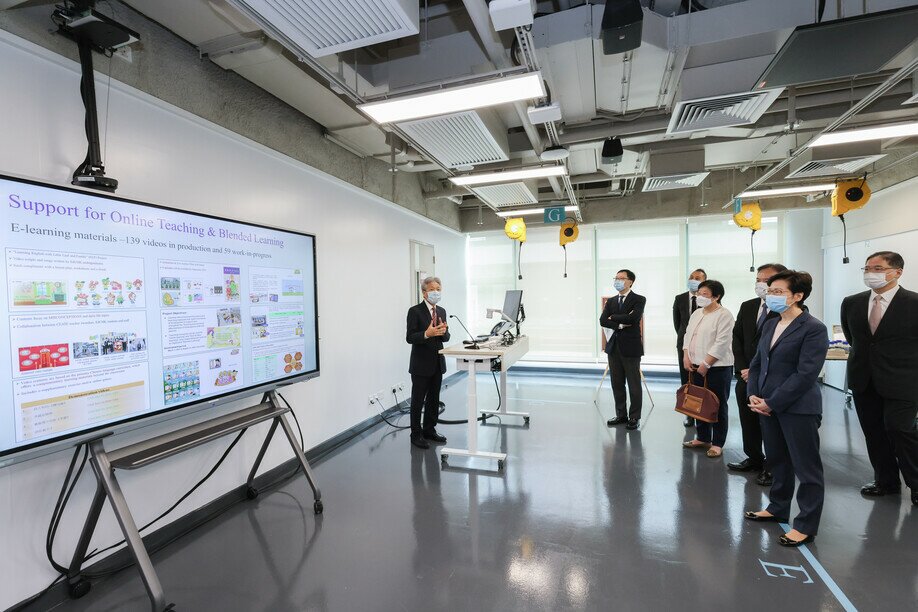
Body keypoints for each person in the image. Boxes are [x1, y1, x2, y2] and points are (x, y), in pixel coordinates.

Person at [744, 270, 828, 546]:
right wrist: (755, 396)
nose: (771, 295)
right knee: (778, 460)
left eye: (778, 291)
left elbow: (806, 374)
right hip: (767, 404)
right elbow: (757, 363)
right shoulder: (770, 323)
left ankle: (805, 524)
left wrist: (773, 401)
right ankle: (777, 507)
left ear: (798, 296)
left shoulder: (813, 327)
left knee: (807, 467)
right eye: (770, 291)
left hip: (798, 408)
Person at [841, 251, 918, 506]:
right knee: (873, 432)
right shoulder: (852, 302)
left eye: (877, 268)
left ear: (897, 272)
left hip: (904, 380)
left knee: (900, 428)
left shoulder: (914, 302)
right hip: (864, 377)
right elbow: (856, 340)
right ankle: (886, 481)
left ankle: (916, 483)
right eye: (867, 268)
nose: (870, 273)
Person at [729, 263, 787, 486]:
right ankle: (754, 458)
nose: (762, 284)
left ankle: (773, 467)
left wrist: (755, 370)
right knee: (748, 419)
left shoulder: (788, 309)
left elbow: (782, 347)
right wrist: (744, 368)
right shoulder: (748, 306)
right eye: (758, 280)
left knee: (770, 425)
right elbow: (737, 339)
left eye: (767, 280)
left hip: (771, 378)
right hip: (745, 376)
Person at [681, 280, 734, 458]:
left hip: (718, 368)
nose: (700, 297)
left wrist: (706, 364)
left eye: (705, 294)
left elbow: (722, 342)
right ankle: (703, 437)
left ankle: (718, 443)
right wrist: (686, 355)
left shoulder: (724, 315)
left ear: (716, 297)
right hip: (694, 365)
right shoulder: (696, 313)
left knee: (717, 404)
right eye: (699, 293)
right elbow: (688, 335)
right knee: (698, 401)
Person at [406, 277, 450, 450]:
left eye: (439, 288)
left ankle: (429, 430)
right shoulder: (415, 311)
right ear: (424, 292)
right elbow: (410, 337)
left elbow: (446, 337)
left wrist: (443, 332)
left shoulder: (442, 311)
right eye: (432, 289)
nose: (436, 292)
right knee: (418, 401)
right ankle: (416, 434)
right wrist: (427, 333)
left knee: (434, 399)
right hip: (420, 365)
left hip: (437, 363)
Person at [601, 269, 646, 430]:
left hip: (631, 347)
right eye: (616, 278)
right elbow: (602, 320)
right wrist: (619, 323)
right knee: (617, 383)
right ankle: (621, 415)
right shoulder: (611, 301)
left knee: (634, 384)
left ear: (630, 282)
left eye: (621, 278)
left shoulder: (639, 299)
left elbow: (634, 318)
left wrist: (613, 317)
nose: (617, 281)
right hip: (613, 347)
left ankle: (634, 417)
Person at [673, 268, 707, 428]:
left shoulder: (709, 298)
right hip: (684, 345)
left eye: (698, 278)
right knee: (686, 380)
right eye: (691, 277)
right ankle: (688, 414)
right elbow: (677, 323)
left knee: (701, 381)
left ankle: (703, 412)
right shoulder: (679, 298)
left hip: (704, 345)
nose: (694, 280)